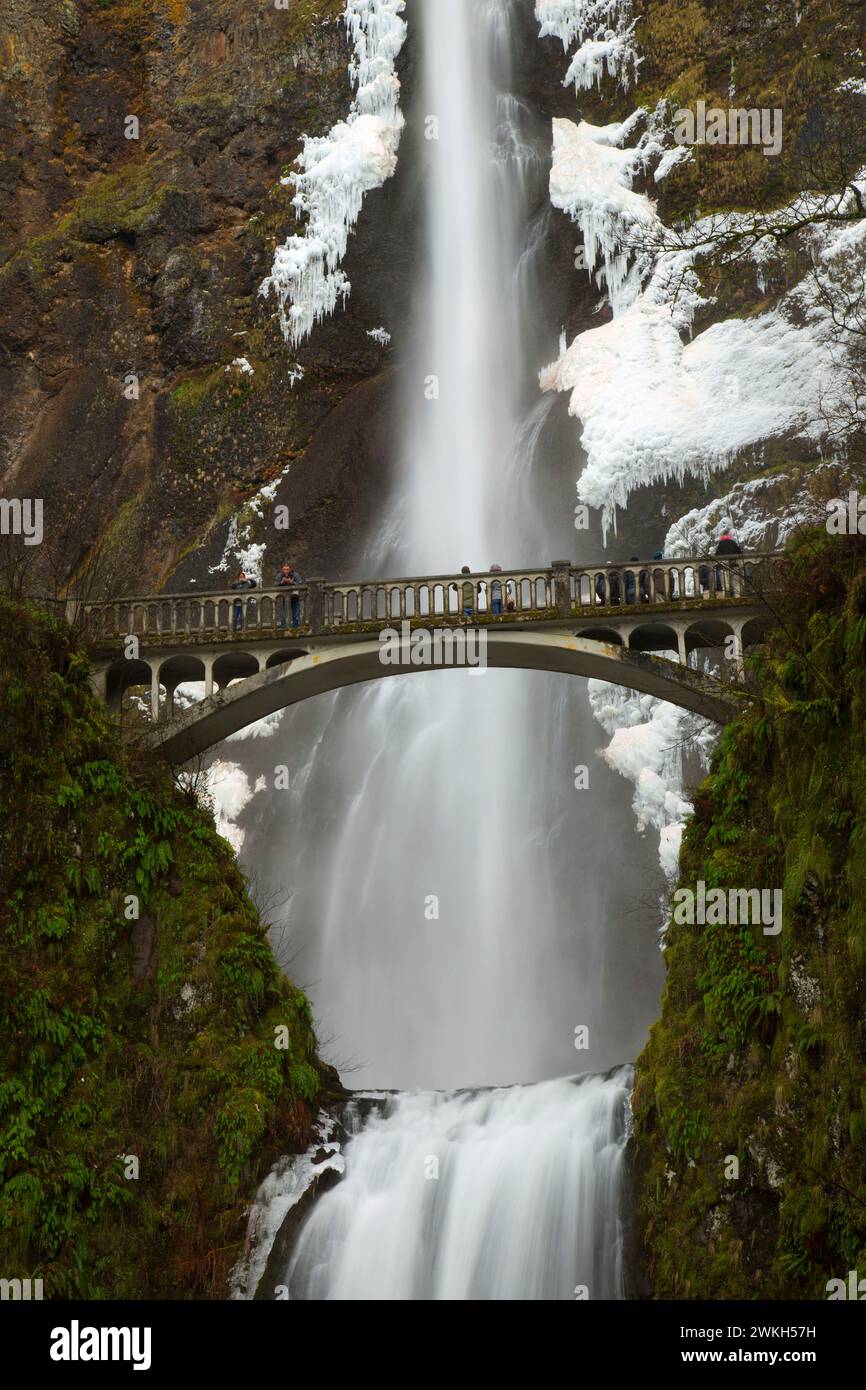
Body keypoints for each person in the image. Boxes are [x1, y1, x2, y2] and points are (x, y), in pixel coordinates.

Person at [274, 560, 303, 628]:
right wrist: (281, 582)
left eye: (287, 569)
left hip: (295, 597)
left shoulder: (295, 574)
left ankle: (295, 626)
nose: (286, 571)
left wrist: (291, 582)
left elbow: (300, 583)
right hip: (284, 597)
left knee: (295, 613)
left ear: (290, 569)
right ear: (282, 570)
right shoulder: (280, 575)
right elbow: (275, 585)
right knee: (283, 613)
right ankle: (283, 626)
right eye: (284, 569)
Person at [714, 528, 742, 594]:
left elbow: (717, 556)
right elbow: (739, 553)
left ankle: (726, 599)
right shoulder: (733, 543)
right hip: (734, 566)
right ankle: (738, 599)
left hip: (724, 567)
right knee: (736, 586)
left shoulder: (720, 544)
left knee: (725, 587)